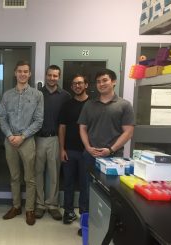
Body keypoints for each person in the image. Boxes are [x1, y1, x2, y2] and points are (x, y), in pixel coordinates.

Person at [78, 68, 134, 213]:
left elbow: (128, 132)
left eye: (105, 80)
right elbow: (82, 128)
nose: (101, 84)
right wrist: (88, 147)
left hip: (113, 158)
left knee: (112, 192)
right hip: (90, 155)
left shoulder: (124, 105)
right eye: (98, 82)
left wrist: (111, 149)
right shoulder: (89, 104)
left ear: (113, 82)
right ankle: (87, 223)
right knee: (86, 188)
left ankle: (110, 226)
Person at [0, 60, 44, 226]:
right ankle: (16, 206)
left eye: (26, 71)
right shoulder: (7, 95)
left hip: (27, 140)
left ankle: (29, 209)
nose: (23, 74)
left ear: (30, 74)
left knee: (30, 178)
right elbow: (2, 117)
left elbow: (38, 121)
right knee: (14, 176)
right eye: (20, 71)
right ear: (15, 73)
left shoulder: (37, 95)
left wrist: (22, 136)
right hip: (10, 141)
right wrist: (10, 136)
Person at [34, 65, 70, 221]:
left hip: (56, 139)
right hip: (37, 138)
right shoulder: (37, 94)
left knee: (54, 174)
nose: (52, 78)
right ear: (46, 75)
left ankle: (53, 205)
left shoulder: (66, 96)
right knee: (38, 172)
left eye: (55, 76)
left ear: (59, 77)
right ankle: (40, 204)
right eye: (49, 75)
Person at [58, 74, 89, 225]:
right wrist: (61, 148)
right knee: (68, 183)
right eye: (75, 84)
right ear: (71, 87)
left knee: (85, 184)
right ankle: (68, 212)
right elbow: (62, 127)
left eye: (80, 83)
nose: (77, 86)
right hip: (69, 150)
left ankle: (84, 215)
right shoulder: (67, 105)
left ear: (86, 85)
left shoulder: (93, 104)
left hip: (87, 152)